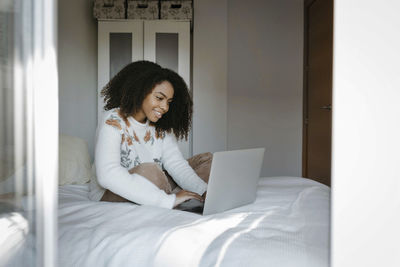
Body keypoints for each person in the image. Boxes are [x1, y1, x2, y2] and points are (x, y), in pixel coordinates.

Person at [89, 61, 212, 209]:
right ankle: (174, 200)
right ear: (140, 91)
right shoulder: (113, 119)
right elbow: (107, 176)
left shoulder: (160, 126)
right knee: (151, 171)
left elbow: (176, 164)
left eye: (169, 102)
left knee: (207, 161)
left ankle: (200, 198)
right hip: (110, 192)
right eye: (159, 98)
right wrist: (168, 200)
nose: (165, 107)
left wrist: (203, 191)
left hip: (156, 183)